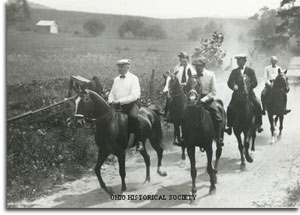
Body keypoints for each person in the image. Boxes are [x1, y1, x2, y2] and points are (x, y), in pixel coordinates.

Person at [108, 59, 144, 151]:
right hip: (118, 105)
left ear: (128, 67)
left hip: (132, 104)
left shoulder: (134, 78)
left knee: (133, 117)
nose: (119, 69)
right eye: (118, 67)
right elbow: (112, 93)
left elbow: (134, 95)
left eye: (122, 67)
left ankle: (139, 142)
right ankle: (112, 140)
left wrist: (119, 101)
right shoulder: (116, 79)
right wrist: (111, 101)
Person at [225, 54, 263, 135]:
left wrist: (248, 87)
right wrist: (234, 86)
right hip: (237, 95)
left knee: (257, 105)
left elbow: (255, 82)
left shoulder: (250, 71)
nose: (239, 62)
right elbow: (230, 82)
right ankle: (229, 126)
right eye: (237, 60)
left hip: (249, 94)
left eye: (240, 60)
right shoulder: (234, 71)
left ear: (245, 61)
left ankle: (259, 124)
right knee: (229, 107)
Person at [191, 57, 224, 146]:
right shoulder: (193, 76)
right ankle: (185, 137)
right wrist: (192, 98)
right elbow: (190, 89)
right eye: (196, 66)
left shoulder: (210, 75)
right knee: (185, 114)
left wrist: (203, 100)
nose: (197, 68)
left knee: (217, 115)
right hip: (195, 99)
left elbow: (214, 91)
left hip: (207, 99)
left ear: (203, 66)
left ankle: (218, 137)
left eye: (199, 66)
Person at [163, 51, 196, 118]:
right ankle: (168, 112)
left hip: (188, 87)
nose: (182, 61)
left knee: (192, 99)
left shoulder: (191, 69)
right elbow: (174, 77)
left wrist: (186, 83)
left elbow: (193, 79)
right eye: (180, 59)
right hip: (178, 87)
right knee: (170, 97)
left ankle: (192, 114)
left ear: (187, 60)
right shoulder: (177, 67)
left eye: (184, 60)